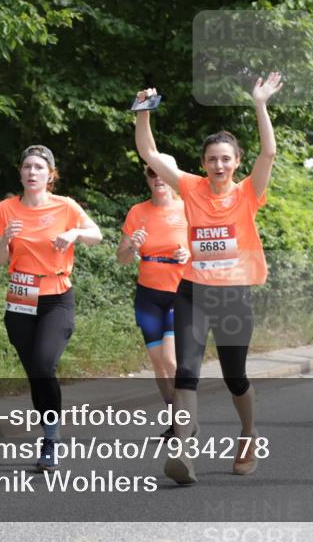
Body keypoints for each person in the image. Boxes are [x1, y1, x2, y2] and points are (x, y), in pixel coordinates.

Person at [135, 72, 283, 485]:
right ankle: (183, 451)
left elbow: (268, 154)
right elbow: (149, 151)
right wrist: (143, 110)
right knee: (187, 370)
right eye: (212, 159)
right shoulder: (191, 187)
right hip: (193, 292)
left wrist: (260, 104)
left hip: (234, 295)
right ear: (203, 164)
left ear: (235, 163)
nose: (218, 165)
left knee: (235, 375)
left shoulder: (248, 193)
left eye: (225, 159)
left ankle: (249, 434)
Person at [0, 145, 103, 471]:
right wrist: (4, 239)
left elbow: (96, 235)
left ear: (50, 174)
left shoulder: (65, 206)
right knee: (36, 375)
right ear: (20, 172)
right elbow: (1, 259)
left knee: (43, 366)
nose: (31, 172)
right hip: (21, 298)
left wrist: (75, 232)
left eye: (39, 167)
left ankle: (51, 440)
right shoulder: (6, 209)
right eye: (27, 166)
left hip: (56, 296)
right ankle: (49, 433)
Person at [116, 156, 191, 437]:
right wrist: (131, 247)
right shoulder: (138, 212)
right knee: (158, 363)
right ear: (147, 176)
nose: (158, 177)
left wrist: (189, 254)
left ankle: (186, 420)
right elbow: (121, 259)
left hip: (179, 293)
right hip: (148, 295)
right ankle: (175, 418)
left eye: (162, 172)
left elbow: (206, 250)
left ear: (172, 176)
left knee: (171, 361)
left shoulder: (187, 209)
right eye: (152, 172)